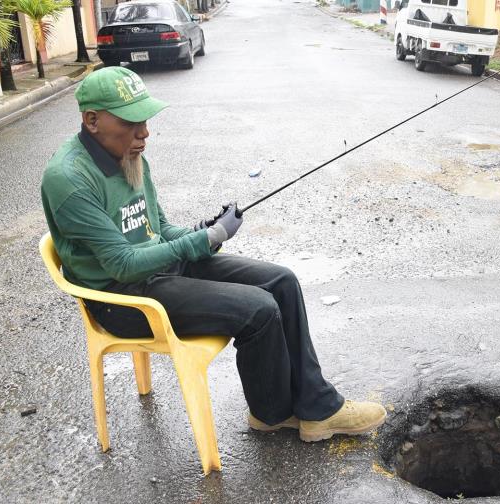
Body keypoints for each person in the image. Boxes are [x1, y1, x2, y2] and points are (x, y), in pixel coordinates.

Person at [40, 67, 386, 442]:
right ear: (92, 120)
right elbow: (122, 265)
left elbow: (159, 228)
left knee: (281, 282)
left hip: (158, 270)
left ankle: (318, 409)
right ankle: (272, 414)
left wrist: (205, 233)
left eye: (145, 120)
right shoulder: (69, 179)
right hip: (123, 298)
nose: (144, 133)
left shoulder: (127, 153)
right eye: (131, 122)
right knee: (259, 309)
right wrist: (202, 241)